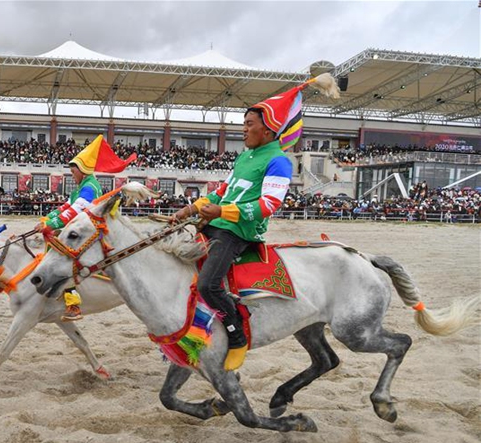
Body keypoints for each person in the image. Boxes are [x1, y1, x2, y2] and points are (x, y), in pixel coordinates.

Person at [171, 73, 339, 371]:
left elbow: (269, 205)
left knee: (209, 285)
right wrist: (191, 209)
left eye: (250, 124)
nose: (244, 129)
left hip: (240, 231)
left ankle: (236, 337)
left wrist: (222, 213)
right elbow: (224, 190)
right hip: (217, 225)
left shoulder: (279, 161)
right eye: (244, 123)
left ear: (268, 130)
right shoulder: (245, 157)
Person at [36, 135, 135, 321]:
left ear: (82, 171)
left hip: (90, 231)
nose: (72, 177)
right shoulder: (80, 187)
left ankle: (73, 304)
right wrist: (48, 218)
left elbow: (75, 211)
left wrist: (50, 225)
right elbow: (65, 207)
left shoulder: (90, 187)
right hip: (84, 228)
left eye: (73, 173)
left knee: (65, 258)